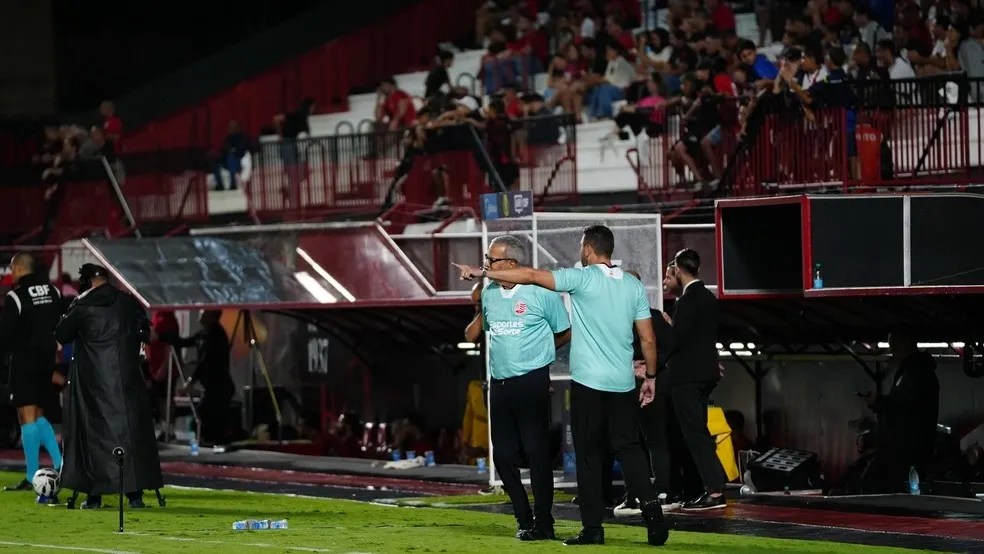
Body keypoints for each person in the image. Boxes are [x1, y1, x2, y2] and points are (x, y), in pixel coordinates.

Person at [453, 225, 668, 547]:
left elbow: (531, 276)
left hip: (587, 382)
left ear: (588, 249)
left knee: (588, 455)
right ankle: (653, 514)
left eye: (582, 246)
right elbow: (648, 338)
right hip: (622, 382)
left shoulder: (579, 278)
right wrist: (650, 377)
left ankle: (593, 529)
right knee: (629, 449)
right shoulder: (632, 285)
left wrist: (481, 271)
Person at [463, 235, 571, 541]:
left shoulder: (542, 292)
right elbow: (487, 332)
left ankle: (544, 522)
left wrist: (540, 355)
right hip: (499, 384)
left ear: (511, 263)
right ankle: (524, 517)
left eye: (491, 260)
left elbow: (564, 332)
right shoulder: (489, 293)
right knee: (502, 457)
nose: (486, 264)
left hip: (531, 382)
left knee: (537, 455)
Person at [55, 264, 163, 509]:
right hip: (126, 382)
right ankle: (135, 496)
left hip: (92, 384)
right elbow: (145, 332)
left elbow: (62, 334)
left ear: (87, 280)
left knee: (92, 437)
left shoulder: (81, 305)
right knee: (131, 434)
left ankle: (94, 497)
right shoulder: (128, 301)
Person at [660, 248, 727, 510]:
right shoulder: (708, 297)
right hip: (705, 376)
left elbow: (676, 340)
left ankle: (715, 491)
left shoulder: (687, 301)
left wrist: (666, 328)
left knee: (695, 434)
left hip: (687, 378)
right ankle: (711, 487)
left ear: (677, 270)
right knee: (699, 432)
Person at [0, 253, 64, 498]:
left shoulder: (16, 297)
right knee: (37, 415)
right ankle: (60, 464)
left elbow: (5, 335)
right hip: (47, 361)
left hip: (24, 361)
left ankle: (31, 476)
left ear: (18, 269)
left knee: (26, 418)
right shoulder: (53, 292)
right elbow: (63, 321)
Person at [860, 332, 939, 493]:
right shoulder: (913, 371)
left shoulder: (916, 372)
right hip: (905, 449)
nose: (892, 351)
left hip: (906, 450)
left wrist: (879, 402)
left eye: (894, 346)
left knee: (876, 484)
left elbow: (905, 407)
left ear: (904, 345)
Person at [172, 310, 234, 444]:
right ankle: (211, 441)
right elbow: (188, 341)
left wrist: (191, 381)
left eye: (204, 311)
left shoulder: (215, 334)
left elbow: (206, 360)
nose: (200, 312)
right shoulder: (204, 333)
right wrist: (167, 337)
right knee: (204, 417)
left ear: (211, 315)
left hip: (220, 386)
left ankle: (213, 443)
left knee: (204, 416)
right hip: (212, 386)